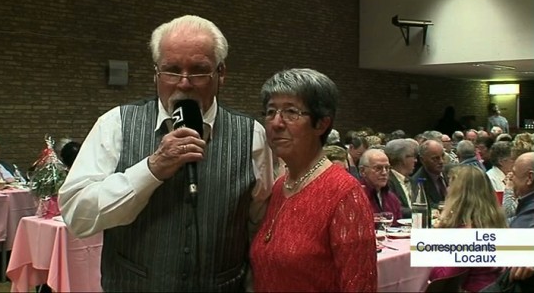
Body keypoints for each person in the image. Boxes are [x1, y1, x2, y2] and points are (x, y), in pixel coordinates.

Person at [58, 15, 274, 291]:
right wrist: (151, 169)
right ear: (156, 74)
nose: (184, 83)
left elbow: (259, 227)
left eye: (198, 70)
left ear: (221, 73)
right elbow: (78, 215)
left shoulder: (253, 136)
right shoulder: (116, 125)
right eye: (172, 69)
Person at [250, 68, 377, 292]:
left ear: (321, 124)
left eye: (291, 112)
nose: (276, 123)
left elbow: (360, 286)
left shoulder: (345, 194)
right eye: (270, 112)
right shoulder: (282, 185)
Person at [430, 165, 507, 292]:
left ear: (458, 194)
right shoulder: (495, 222)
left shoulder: (466, 234)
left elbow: (441, 278)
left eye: (450, 186)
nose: (447, 190)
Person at [359, 149, 402, 222]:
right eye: (378, 168)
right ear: (362, 171)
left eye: (387, 168)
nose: (384, 172)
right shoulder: (356, 197)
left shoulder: (392, 199)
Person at [384, 138, 418, 218]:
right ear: (402, 158)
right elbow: (395, 209)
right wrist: (420, 211)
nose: (416, 160)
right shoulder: (387, 181)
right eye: (413, 156)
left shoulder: (412, 180)